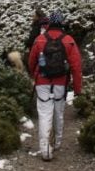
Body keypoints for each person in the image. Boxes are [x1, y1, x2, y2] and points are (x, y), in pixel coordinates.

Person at [27, 10, 82, 161]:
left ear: (49, 23)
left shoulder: (39, 39)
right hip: (60, 83)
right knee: (58, 113)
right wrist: (77, 88)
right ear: (62, 22)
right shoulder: (69, 40)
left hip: (42, 83)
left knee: (44, 114)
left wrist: (33, 75)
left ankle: (45, 150)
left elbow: (31, 62)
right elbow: (76, 66)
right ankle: (57, 143)